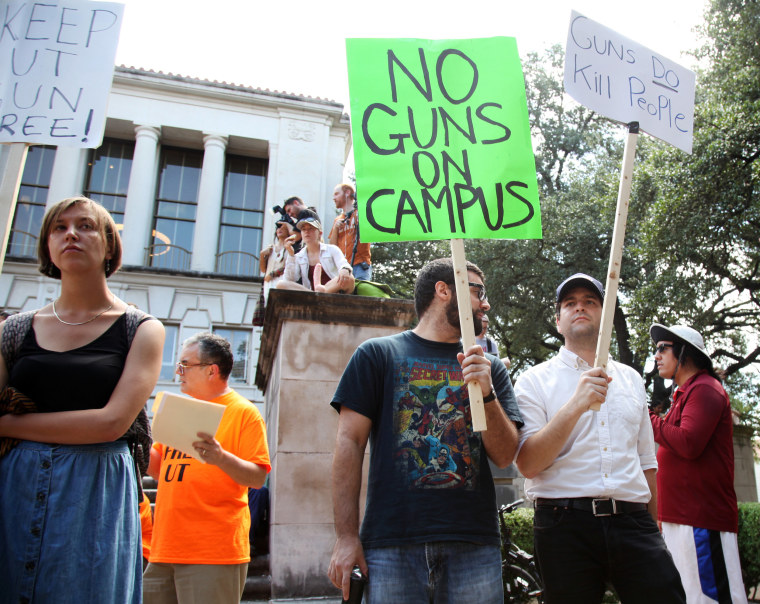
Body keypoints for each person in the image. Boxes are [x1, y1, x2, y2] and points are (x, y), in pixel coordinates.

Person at [0, 196, 165, 603]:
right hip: (14, 490)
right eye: (60, 227)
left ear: (109, 245)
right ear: (47, 246)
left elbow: (111, 422)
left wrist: (7, 426)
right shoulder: (14, 330)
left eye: (86, 225)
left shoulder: (140, 329)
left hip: (95, 492)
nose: (72, 233)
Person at [327, 258, 522, 603]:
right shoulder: (376, 355)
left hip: (474, 546)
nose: (486, 303)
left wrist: (487, 392)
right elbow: (349, 443)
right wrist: (345, 537)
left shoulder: (490, 367)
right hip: (390, 546)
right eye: (479, 292)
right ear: (444, 290)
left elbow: (506, 454)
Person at [514, 273, 685, 604]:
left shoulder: (632, 379)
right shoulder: (533, 382)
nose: (580, 308)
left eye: (590, 302)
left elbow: (647, 462)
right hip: (564, 525)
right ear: (558, 320)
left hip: (634, 523)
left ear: (605, 314)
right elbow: (529, 463)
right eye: (570, 303)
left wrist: (654, 531)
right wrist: (576, 405)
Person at [143, 332, 271, 604]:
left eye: (185, 365)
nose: (179, 373)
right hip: (163, 548)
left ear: (212, 370)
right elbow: (161, 470)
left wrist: (221, 458)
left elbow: (258, 478)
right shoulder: (181, 409)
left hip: (212, 551)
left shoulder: (244, 413)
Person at [650, 324, 748, 604]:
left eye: (662, 348)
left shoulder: (705, 389)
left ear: (684, 352)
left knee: (710, 599)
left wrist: (648, 419)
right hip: (681, 519)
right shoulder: (684, 393)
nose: (656, 356)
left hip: (701, 520)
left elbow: (688, 443)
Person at [277, 213, 355, 294]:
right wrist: (291, 254)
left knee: (350, 278)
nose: (307, 232)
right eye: (303, 229)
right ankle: (314, 295)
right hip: (310, 295)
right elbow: (289, 279)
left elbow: (343, 264)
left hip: (332, 292)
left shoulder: (332, 249)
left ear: (320, 233)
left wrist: (344, 270)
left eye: (311, 229)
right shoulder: (299, 256)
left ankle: (323, 291)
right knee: (281, 284)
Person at [328, 183, 372, 281]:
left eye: (336, 194)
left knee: (360, 293)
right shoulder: (337, 220)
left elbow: (369, 234)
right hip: (342, 267)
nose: (333, 198)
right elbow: (332, 246)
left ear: (347, 193)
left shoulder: (360, 213)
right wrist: (335, 229)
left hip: (360, 265)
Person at [259, 213, 298, 299]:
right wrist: (262, 255)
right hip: (268, 284)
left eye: (282, 226)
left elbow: (289, 266)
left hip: (282, 283)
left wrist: (273, 274)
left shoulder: (291, 248)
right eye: (278, 227)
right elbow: (263, 270)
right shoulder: (271, 248)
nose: (279, 229)